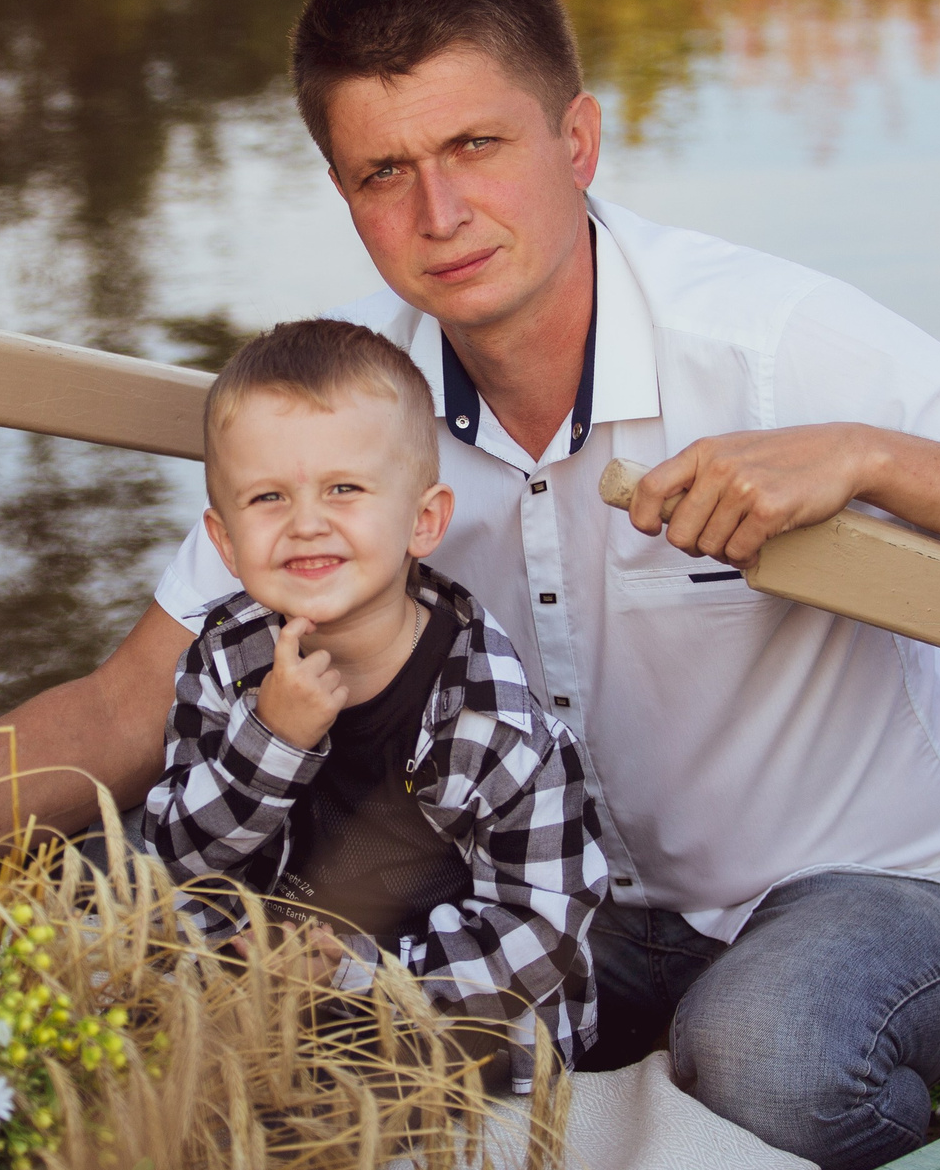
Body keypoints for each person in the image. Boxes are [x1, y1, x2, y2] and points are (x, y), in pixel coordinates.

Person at [0, 0, 940, 1170]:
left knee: (769, 1055)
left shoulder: (766, 337)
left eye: (476, 144)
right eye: (384, 171)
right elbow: (121, 709)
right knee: (150, 915)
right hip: (576, 901)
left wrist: (862, 456)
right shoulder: (358, 405)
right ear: (345, 195)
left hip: (870, 882)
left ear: (577, 139)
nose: (440, 210)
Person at [143, 319, 608, 1092]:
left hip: (452, 1005)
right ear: (225, 544)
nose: (306, 522)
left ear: (423, 520)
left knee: (376, 1087)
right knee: (125, 957)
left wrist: (361, 983)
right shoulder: (227, 657)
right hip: (269, 973)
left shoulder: (489, 722)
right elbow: (182, 855)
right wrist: (271, 742)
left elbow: (541, 926)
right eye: (268, 497)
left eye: (344, 489)